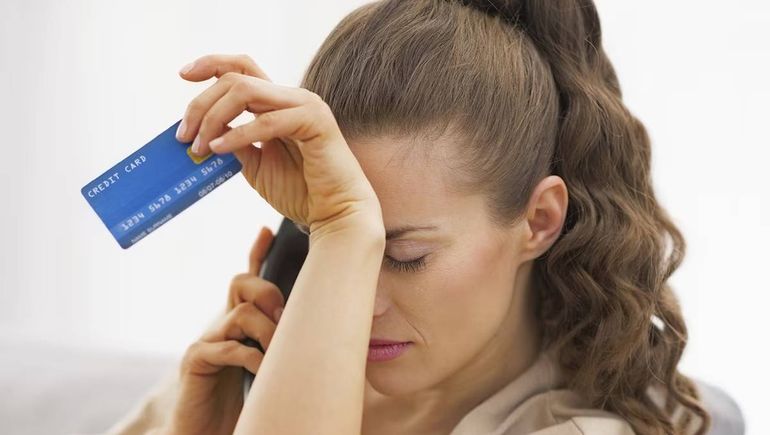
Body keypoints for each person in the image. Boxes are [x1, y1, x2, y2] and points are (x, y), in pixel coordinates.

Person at [106, 1, 712, 434]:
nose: (359, 304)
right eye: (323, 244)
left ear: (538, 221)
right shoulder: (274, 354)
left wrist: (343, 233)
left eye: (401, 255)